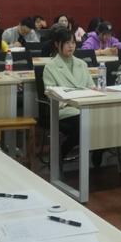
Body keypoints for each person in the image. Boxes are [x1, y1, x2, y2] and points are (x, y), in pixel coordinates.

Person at [42, 27, 96, 156]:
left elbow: (91, 87)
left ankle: (98, 151)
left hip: (85, 105)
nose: (71, 46)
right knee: (83, 123)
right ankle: (63, 151)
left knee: (103, 120)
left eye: (73, 43)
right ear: (57, 44)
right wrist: (72, 100)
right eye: (66, 43)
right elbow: (51, 94)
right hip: (64, 109)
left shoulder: (82, 64)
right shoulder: (50, 67)